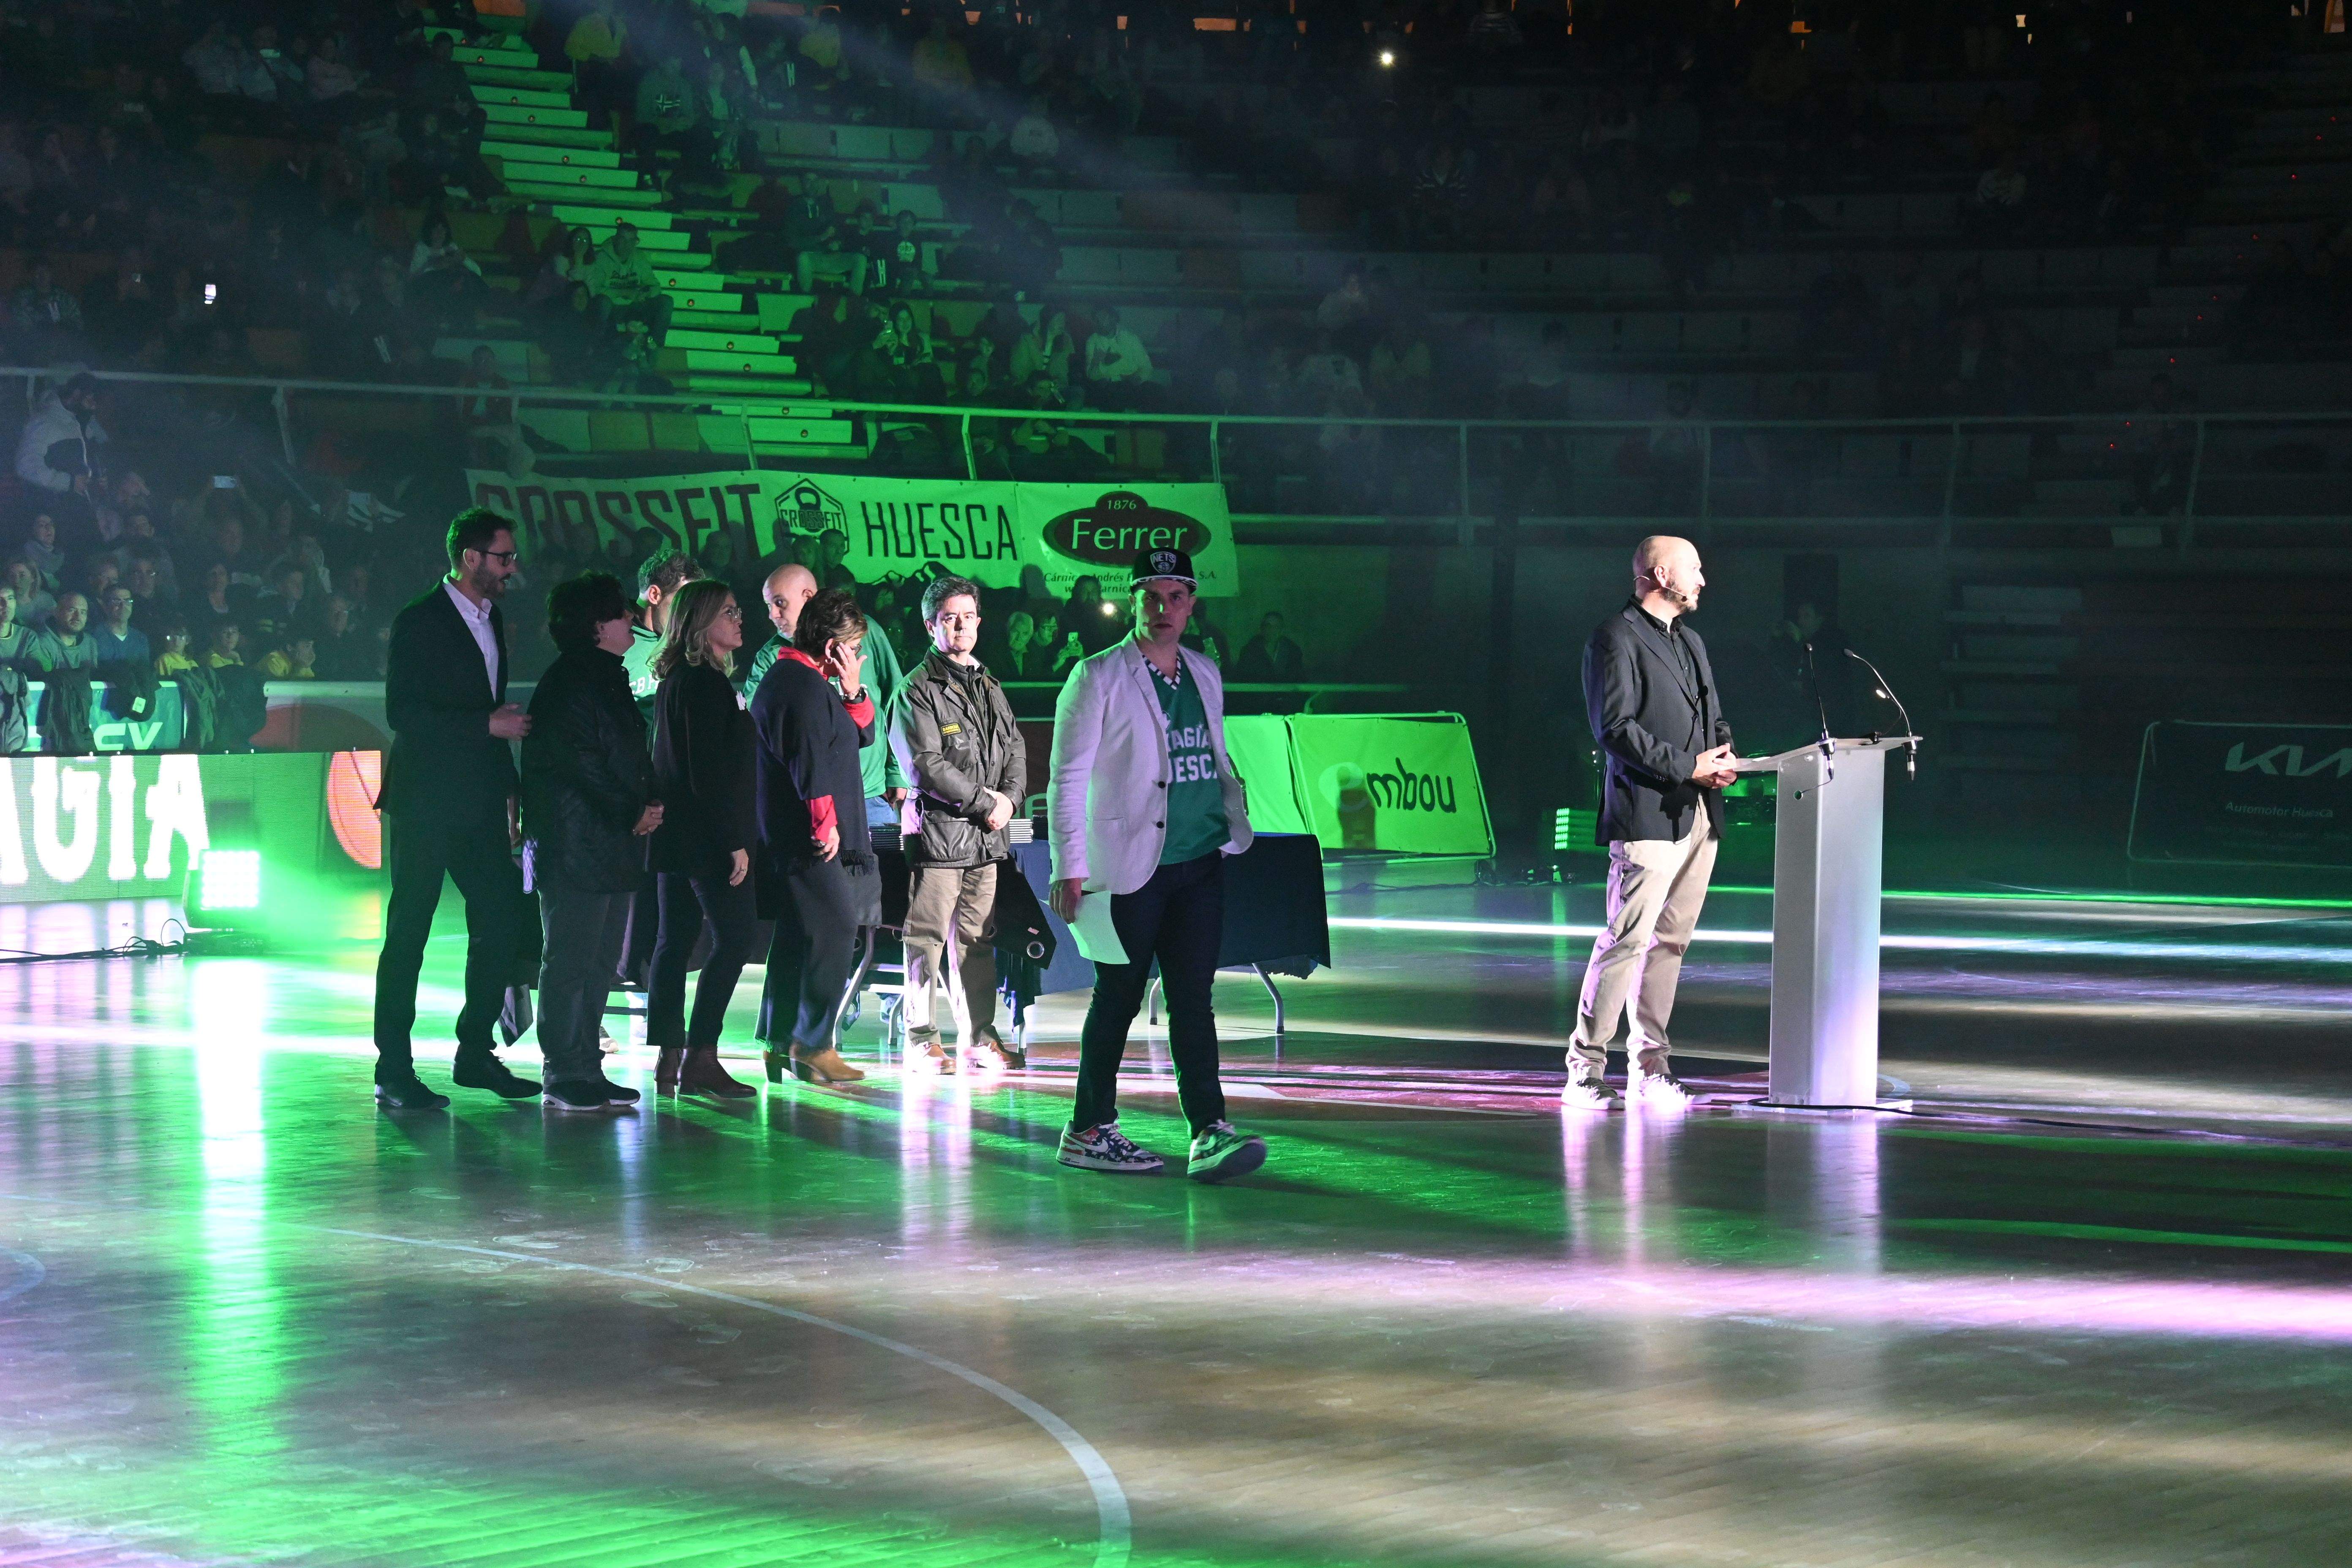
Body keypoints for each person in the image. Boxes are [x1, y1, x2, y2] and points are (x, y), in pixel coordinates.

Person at [1047, 548, 1263, 1183]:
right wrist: (1069, 864)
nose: (1164, 608)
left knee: (1195, 999)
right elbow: (1068, 777)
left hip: (1200, 857)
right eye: (1152, 596)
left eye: (1176, 597)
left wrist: (1231, 810)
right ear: (1134, 601)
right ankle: (1088, 1128)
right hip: (1130, 864)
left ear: (1193, 604)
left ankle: (1209, 1130)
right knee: (1117, 996)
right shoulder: (1097, 676)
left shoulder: (1204, 672)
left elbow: (1214, 752)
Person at [370, 508, 538, 1112]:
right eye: (503, 557)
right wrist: (484, 725)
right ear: (470, 558)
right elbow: (403, 713)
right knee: (409, 931)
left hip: (480, 798)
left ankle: (475, 1051)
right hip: (426, 800)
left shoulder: (494, 618)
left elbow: (490, 711)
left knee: (498, 919)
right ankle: (394, 1065)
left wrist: (511, 786)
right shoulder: (420, 621)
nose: (511, 568)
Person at [1563, 535, 1736, 1111]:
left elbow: (1712, 718)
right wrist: (1688, 766)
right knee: (1626, 941)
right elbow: (1614, 728)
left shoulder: (1692, 642)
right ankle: (1584, 1070)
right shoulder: (1615, 637)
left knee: (1671, 945)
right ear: (1661, 574)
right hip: (1646, 813)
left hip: (1697, 816)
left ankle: (1651, 1069)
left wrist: (1724, 757)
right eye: (1695, 569)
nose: (1704, 581)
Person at [520, 571, 661, 1112]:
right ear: (598, 624)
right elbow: (583, 762)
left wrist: (645, 804)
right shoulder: (575, 682)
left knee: (600, 961)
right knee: (572, 959)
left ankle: (585, 1064)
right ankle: (564, 1068)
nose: (632, 620)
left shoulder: (604, 676)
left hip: (607, 841)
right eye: (622, 613)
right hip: (577, 844)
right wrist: (635, 808)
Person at [889, 574, 1026, 1075]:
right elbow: (924, 764)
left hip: (986, 838)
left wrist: (1009, 800)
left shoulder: (989, 681)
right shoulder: (916, 690)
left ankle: (977, 1038)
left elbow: (1014, 747)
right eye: (951, 618)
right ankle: (921, 1040)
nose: (962, 626)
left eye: (969, 616)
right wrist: (983, 803)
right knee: (925, 938)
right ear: (932, 626)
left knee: (977, 939)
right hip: (941, 836)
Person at [750, 587, 878, 1086]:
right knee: (834, 927)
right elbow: (808, 758)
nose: (856, 656)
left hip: (804, 831)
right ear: (832, 647)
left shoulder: (809, 680)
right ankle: (811, 1041)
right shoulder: (798, 685)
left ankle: (779, 1038)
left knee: (799, 934)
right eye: (852, 647)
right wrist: (824, 822)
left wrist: (852, 688)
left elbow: (857, 734)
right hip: (804, 835)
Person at [646, 577, 760, 1100]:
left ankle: (671, 1051)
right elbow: (708, 772)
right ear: (702, 623)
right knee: (734, 938)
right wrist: (734, 840)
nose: (740, 619)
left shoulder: (677, 681)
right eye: (730, 611)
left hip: (677, 834)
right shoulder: (706, 686)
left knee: (675, 942)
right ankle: (700, 1056)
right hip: (707, 838)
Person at [1234, 611, 1303, 683]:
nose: (1272, 630)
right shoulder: (1249, 652)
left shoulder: (1293, 652)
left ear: (1282, 630)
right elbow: (1244, 678)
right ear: (1262, 629)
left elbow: (1297, 677)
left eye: (1276, 627)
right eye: (1268, 626)